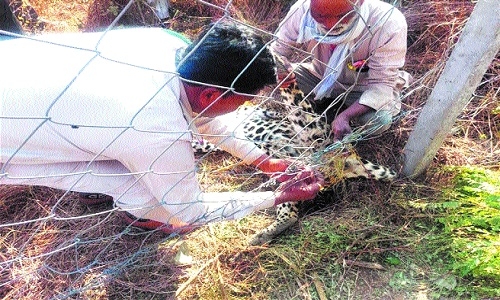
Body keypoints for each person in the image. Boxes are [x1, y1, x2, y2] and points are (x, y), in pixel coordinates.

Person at [0, 21, 323, 234]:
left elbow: (204, 115)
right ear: (211, 94)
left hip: (15, 64)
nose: (246, 106)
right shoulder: (156, 127)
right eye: (243, 100)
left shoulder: (167, 43)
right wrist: (277, 197)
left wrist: (265, 162)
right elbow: (190, 208)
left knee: (139, 179)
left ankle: (141, 210)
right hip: (10, 132)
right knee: (164, 199)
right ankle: (145, 211)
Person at [271, 0, 411, 141]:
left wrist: (345, 116)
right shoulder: (301, 10)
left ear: (360, 2)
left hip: (362, 88)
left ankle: (342, 109)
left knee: (378, 121)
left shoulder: (388, 22)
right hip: (319, 76)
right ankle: (327, 100)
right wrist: (282, 68)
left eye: (342, 16)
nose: (330, 25)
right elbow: (275, 52)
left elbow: (381, 86)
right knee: (269, 74)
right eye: (320, 16)